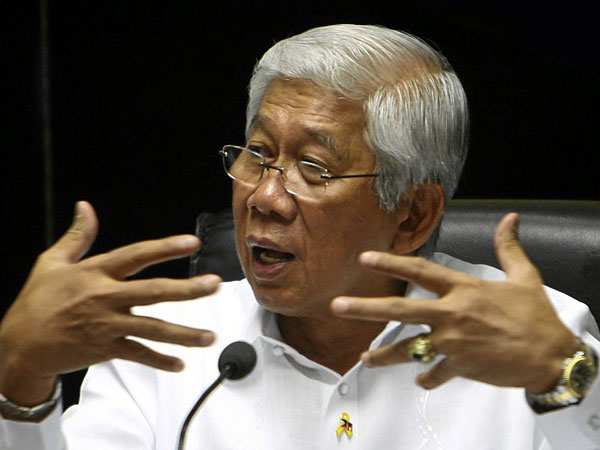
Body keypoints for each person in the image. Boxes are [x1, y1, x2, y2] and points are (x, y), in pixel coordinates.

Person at [0, 24, 599, 449]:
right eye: (258, 154)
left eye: (315, 168)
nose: (264, 196)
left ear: (412, 215)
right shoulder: (161, 352)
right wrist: (19, 380)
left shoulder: (537, 343)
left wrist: (565, 378)